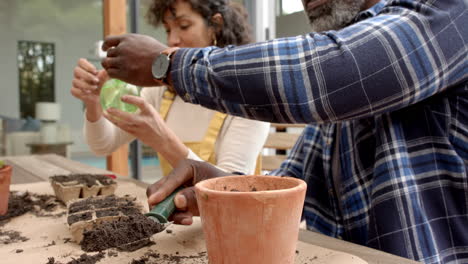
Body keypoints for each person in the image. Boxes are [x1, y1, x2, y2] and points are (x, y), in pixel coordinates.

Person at [101, 0, 467, 263]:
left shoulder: (451, 13)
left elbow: (323, 72)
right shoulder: (338, 109)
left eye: (183, 26)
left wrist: (167, 64)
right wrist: (222, 189)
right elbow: (288, 185)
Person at [71, 0, 270, 177]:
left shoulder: (248, 95)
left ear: (215, 26)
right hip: (180, 214)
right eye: (168, 29)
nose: (172, 40)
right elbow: (103, 144)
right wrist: (93, 102)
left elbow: (229, 190)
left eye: (184, 26)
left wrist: (162, 140)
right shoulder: (161, 91)